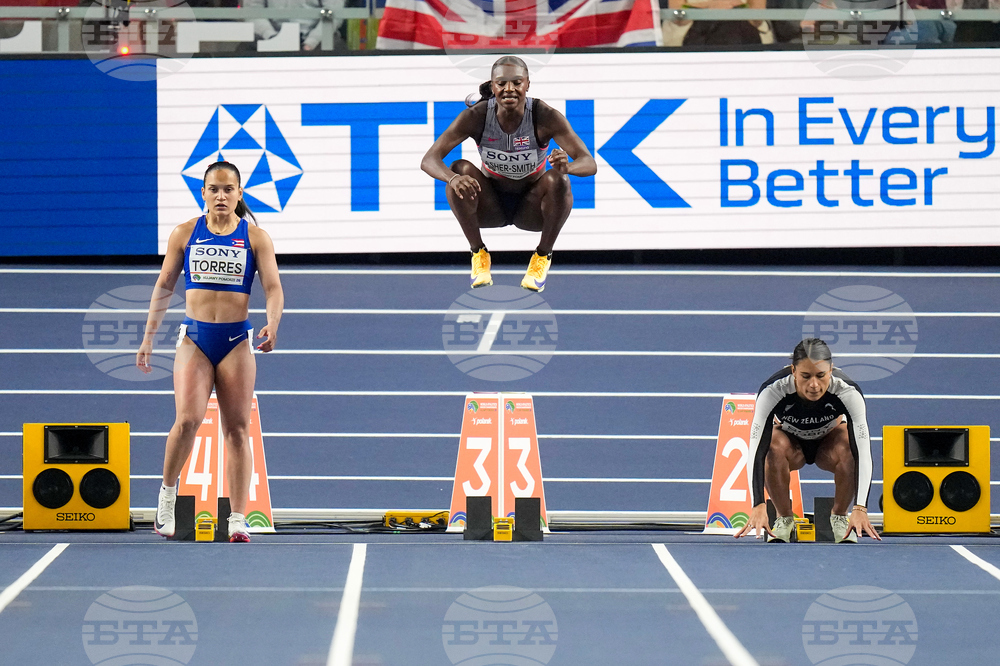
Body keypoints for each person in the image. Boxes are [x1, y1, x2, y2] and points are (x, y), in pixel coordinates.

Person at [136, 161, 284, 543]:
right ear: (203, 193)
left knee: (237, 429)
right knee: (187, 420)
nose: (221, 196)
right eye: (214, 189)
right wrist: (148, 337)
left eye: (228, 189)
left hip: (236, 341)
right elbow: (164, 285)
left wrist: (273, 322)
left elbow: (273, 288)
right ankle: (166, 500)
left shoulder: (256, 238)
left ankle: (237, 518)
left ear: (239, 193)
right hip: (195, 340)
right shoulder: (186, 234)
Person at [420, 55, 597, 293]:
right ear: (492, 86)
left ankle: (542, 257)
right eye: (501, 84)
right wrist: (453, 179)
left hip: (532, 209)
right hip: (490, 206)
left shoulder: (544, 116)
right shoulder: (477, 116)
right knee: (458, 168)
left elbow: (589, 163)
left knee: (558, 179)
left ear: (527, 84)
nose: (509, 89)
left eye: (517, 82)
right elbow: (429, 160)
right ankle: (478, 253)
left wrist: (568, 167)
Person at [735, 338, 881, 543]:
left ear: (831, 369)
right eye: (805, 376)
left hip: (829, 445)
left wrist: (861, 508)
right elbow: (755, 450)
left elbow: (863, 452)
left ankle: (840, 516)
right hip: (791, 444)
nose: (814, 385)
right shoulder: (773, 390)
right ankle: (784, 519)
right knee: (772, 447)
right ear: (793, 371)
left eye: (821, 376)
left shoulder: (847, 391)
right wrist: (758, 504)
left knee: (850, 445)